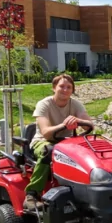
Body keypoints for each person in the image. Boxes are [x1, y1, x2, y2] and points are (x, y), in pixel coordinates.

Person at [25, 73, 93, 210]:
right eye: (61, 86)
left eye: (69, 87)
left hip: (67, 143)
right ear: (54, 88)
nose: (65, 90)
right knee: (49, 151)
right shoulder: (43, 104)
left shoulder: (76, 104)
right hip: (42, 142)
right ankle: (31, 194)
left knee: (90, 152)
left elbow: (89, 124)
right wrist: (64, 125)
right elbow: (46, 133)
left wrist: (78, 121)